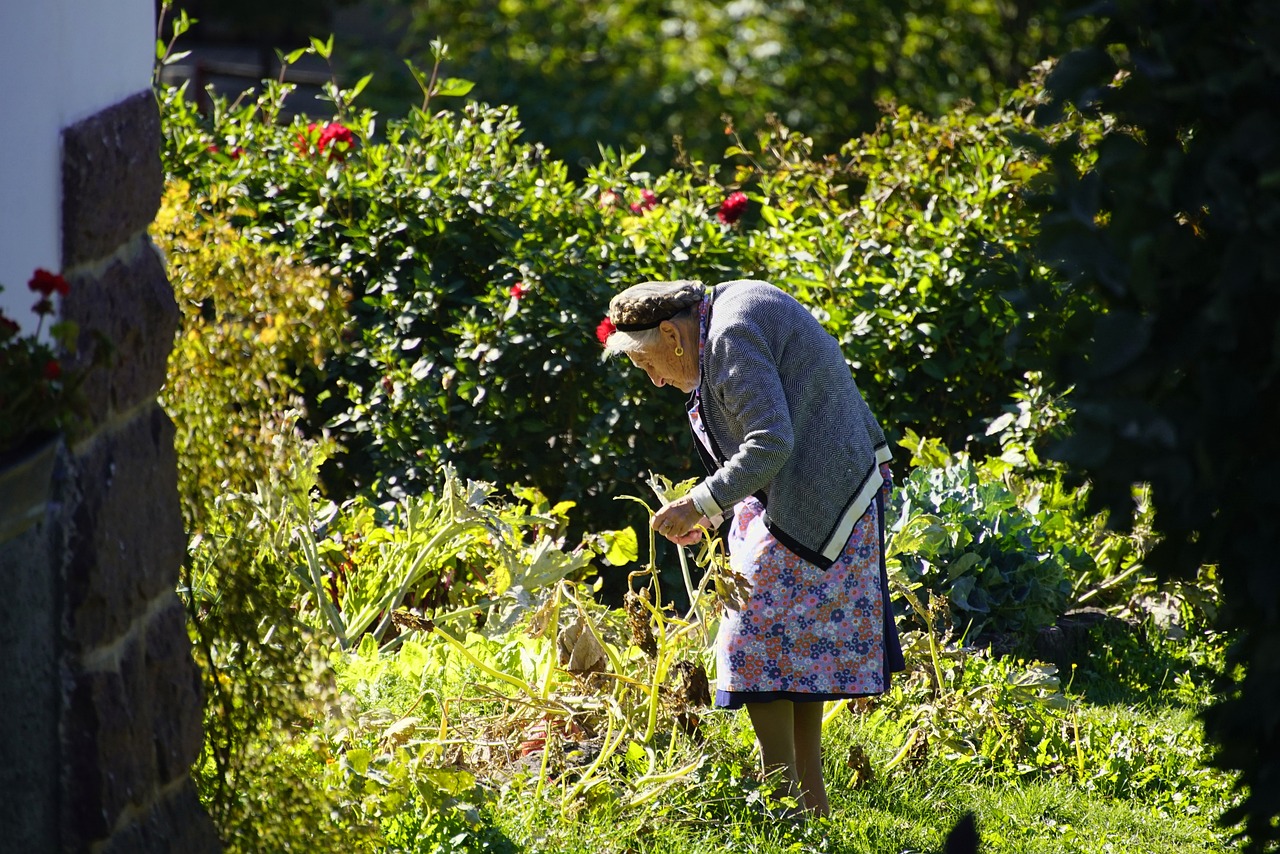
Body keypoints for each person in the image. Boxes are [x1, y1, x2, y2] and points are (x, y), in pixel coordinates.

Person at [597, 278, 904, 817]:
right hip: (818, 488)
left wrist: (700, 502)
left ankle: (783, 803)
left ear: (671, 333)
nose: (654, 380)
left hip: (826, 490)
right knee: (794, 658)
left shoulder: (731, 333)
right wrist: (714, 509)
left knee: (754, 642)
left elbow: (771, 441)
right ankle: (810, 810)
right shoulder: (719, 321)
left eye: (649, 365)